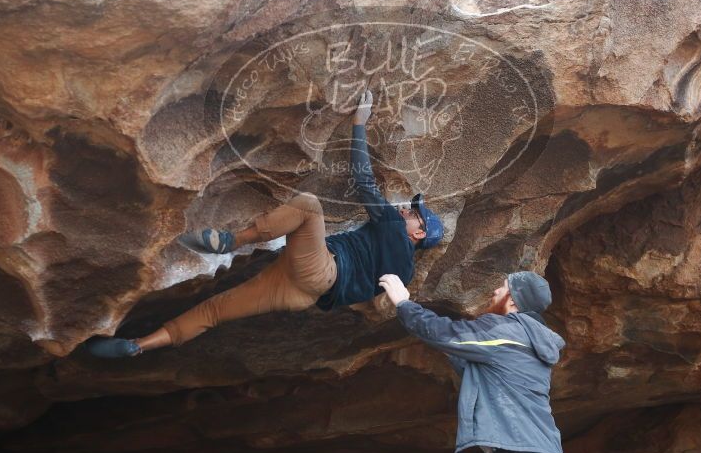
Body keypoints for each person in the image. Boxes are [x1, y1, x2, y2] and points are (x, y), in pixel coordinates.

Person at [87, 91, 444, 358]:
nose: (405, 211)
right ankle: (137, 346)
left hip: (320, 270)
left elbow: (364, 180)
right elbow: (372, 293)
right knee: (214, 311)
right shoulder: (404, 273)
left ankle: (231, 241)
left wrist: (360, 123)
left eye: (413, 213)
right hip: (303, 293)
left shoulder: (394, 232)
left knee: (308, 206)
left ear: (419, 233)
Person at [378, 271, 565, 453]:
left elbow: (446, 333)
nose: (495, 291)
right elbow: (484, 371)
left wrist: (403, 303)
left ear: (513, 301)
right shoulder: (534, 342)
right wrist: (449, 349)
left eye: (502, 287)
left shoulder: (504, 330)